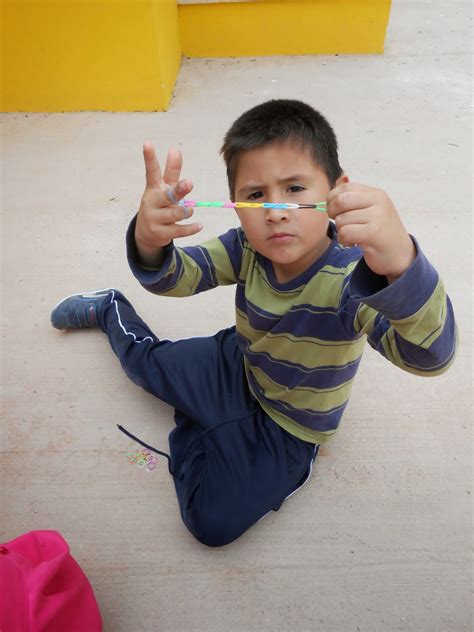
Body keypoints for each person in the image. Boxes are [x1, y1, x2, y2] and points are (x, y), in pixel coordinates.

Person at [51, 99, 457, 547]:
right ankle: (109, 309)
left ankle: (208, 421)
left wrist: (403, 266)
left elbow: (429, 357)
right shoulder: (246, 245)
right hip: (237, 363)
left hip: (291, 428)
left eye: (296, 188)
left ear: (337, 191)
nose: (276, 212)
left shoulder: (352, 279)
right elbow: (176, 278)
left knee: (211, 525)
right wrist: (150, 242)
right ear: (237, 206)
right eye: (257, 195)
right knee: (145, 367)